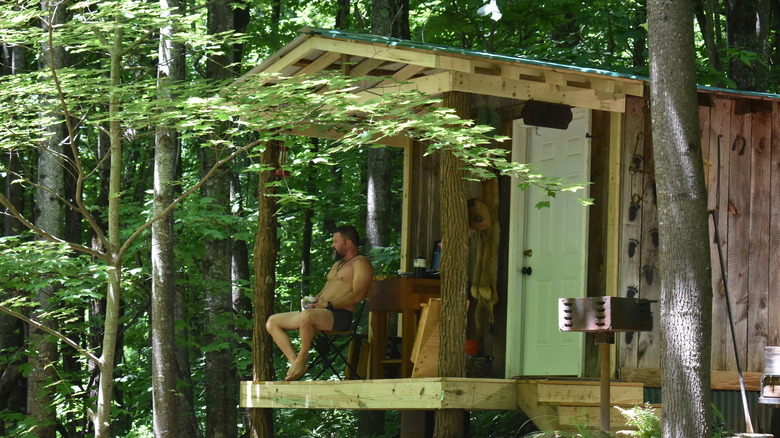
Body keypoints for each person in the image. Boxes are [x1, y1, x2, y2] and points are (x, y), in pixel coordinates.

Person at [265, 225, 374, 381]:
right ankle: (296, 364)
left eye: (336, 241)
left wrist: (329, 305)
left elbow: (358, 295)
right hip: (318, 312)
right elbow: (326, 291)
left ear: (348, 243)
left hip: (340, 316)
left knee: (307, 316)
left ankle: (303, 357)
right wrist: (313, 300)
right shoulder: (337, 264)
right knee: (272, 322)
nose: (332, 245)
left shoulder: (361, 263)